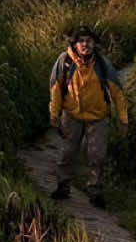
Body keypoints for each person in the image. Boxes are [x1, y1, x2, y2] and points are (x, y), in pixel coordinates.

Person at [49, 26, 128, 206]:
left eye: (89, 41)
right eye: (81, 41)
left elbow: (117, 93)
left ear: (94, 45)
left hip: (98, 117)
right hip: (71, 115)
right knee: (68, 152)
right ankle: (63, 186)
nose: (85, 44)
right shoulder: (65, 61)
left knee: (97, 155)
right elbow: (55, 89)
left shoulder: (102, 64)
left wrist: (123, 120)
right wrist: (54, 114)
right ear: (75, 45)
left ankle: (95, 191)